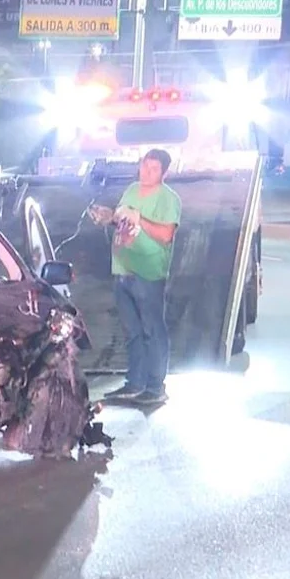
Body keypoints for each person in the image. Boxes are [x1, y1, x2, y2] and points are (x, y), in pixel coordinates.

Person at [89, 148, 182, 405]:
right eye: (144, 166)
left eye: (154, 169)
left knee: (153, 330)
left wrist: (140, 219)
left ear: (164, 173)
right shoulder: (131, 190)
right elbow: (121, 219)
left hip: (148, 274)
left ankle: (155, 386)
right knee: (133, 332)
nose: (147, 172)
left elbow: (166, 235)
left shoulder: (168, 199)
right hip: (122, 270)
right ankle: (135, 383)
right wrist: (108, 217)